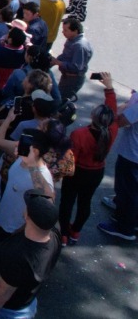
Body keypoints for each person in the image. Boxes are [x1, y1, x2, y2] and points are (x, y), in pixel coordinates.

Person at [0, 190, 62, 319]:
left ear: (27, 216)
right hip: (26, 303)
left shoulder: (18, 255)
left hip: (5, 311)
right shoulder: (54, 231)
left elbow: (1, 293)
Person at [60, 71, 118, 244]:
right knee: (85, 202)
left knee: (67, 202)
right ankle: (75, 232)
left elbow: (71, 158)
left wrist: (61, 171)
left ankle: (63, 234)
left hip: (77, 172)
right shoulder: (112, 131)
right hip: (96, 173)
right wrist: (109, 89)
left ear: (93, 116)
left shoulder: (80, 134)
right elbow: (112, 109)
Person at [98, 70, 138, 241]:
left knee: (128, 190)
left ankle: (124, 227)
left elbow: (121, 122)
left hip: (133, 154)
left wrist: (110, 97)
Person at [53, 17, 92, 102]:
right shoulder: (71, 40)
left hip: (73, 80)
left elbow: (76, 67)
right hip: (66, 76)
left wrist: (59, 63)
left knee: (61, 101)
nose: (63, 32)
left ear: (75, 31)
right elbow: (65, 55)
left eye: (65, 30)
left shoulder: (80, 46)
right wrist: (54, 61)